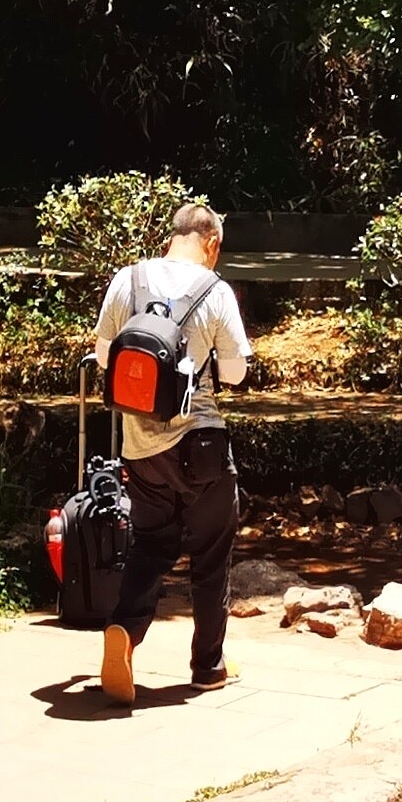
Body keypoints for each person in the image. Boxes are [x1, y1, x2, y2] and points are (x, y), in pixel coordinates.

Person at [78, 198, 260, 690]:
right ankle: (208, 667)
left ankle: (123, 631)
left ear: (169, 239)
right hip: (201, 445)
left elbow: (104, 357)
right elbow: (235, 373)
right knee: (211, 554)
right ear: (212, 244)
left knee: (151, 546)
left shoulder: (128, 279)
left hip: (141, 447)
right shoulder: (215, 290)